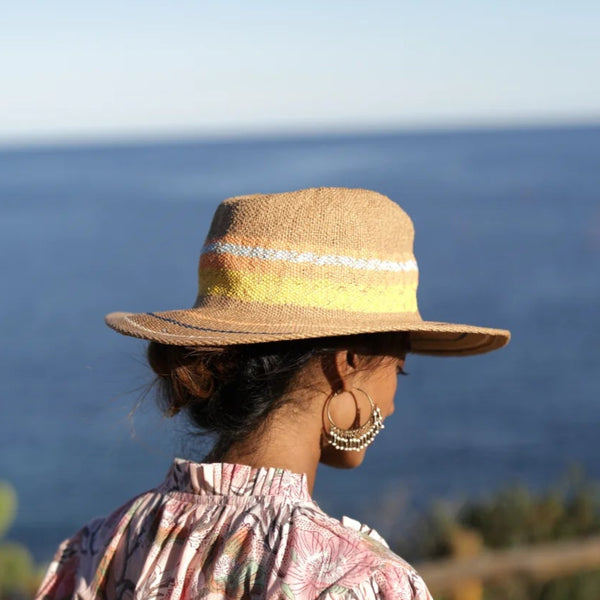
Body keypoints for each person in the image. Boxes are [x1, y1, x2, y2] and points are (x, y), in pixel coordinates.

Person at [36, 187, 510, 599]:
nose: (390, 404)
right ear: (345, 364)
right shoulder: (356, 580)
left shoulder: (102, 546)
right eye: (398, 373)